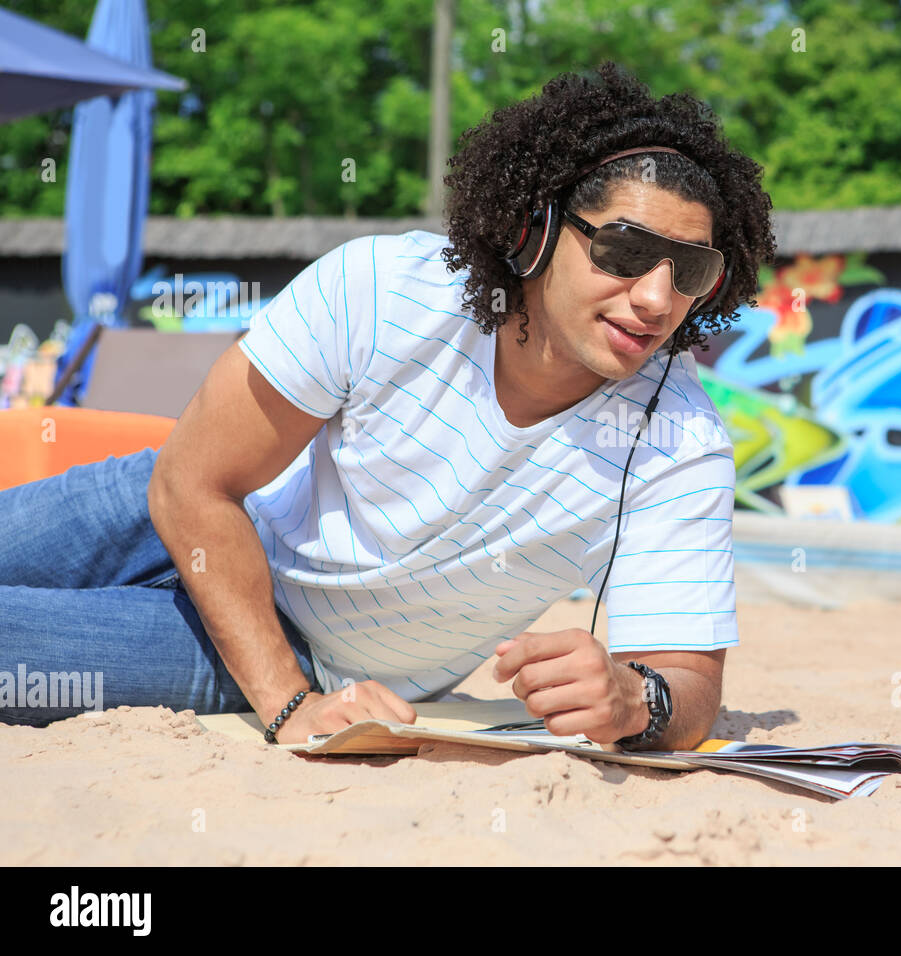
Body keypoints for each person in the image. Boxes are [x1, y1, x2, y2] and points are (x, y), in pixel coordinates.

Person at [0, 60, 776, 749]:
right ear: (534, 230)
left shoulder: (678, 436)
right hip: (165, 509)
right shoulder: (381, 288)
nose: (654, 296)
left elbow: (692, 692)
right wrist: (287, 709)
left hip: (289, 646)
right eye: (627, 250)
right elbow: (192, 482)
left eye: (690, 270)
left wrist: (636, 701)